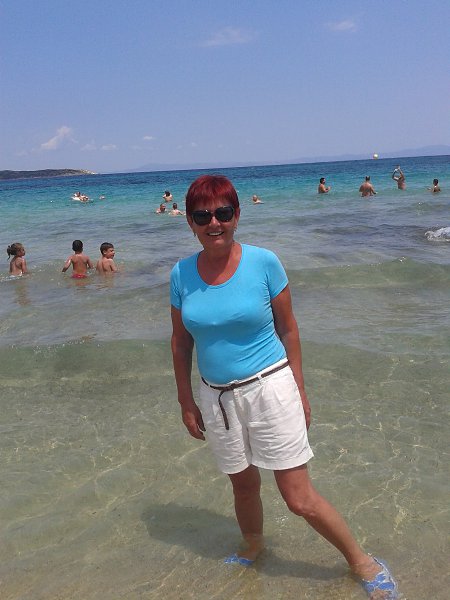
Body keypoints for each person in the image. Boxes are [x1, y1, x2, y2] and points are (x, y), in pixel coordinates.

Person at [170, 175, 398, 600]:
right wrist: (185, 399)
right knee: (242, 485)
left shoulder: (264, 262)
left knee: (298, 497)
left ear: (237, 215)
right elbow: (181, 343)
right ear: (190, 222)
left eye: (223, 213)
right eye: (202, 216)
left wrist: (300, 390)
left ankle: (362, 561)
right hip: (216, 397)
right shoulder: (181, 273)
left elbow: (289, 329)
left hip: (270, 388)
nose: (214, 223)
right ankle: (254, 544)